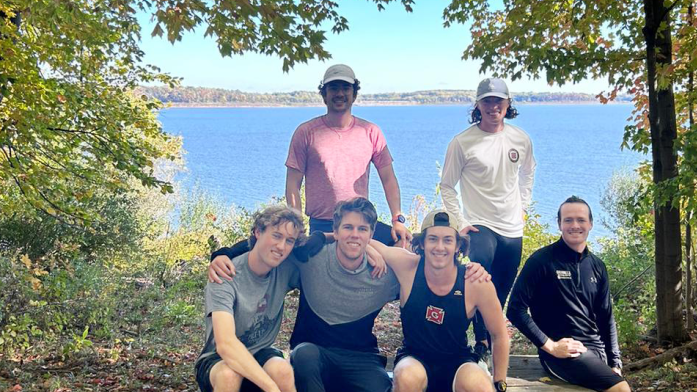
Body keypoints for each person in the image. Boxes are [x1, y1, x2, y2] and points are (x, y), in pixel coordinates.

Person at [208, 198, 491, 392]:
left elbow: (428, 276)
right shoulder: (308, 258)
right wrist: (223, 253)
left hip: (360, 356)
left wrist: (468, 270)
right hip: (313, 351)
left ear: (371, 235)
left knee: (381, 386)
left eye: (362, 230)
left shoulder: (387, 274)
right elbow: (267, 245)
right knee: (303, 356)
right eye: (347, 228)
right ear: (335, 230)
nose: (354, 235)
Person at [439, 77, 536, 361]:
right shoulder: (462, 142)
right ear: (478, 105)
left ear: (508, 104)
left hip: (512, 227)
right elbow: (447, 185)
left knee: (501, 289)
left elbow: (528, 173)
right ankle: (479, 342)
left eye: (498, 101)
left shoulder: (520, 138)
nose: (493, 106)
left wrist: (524, 208)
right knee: (480, 284)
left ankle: (492, 340)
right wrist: (458, 222)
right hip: (479, 225)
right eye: (487, 101)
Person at [371, 209, 510, 392]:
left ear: (458, 246)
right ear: (422, 243)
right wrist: (367, 250)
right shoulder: (408, 266)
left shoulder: (475, 281)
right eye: (433, 239)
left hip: (458, 362)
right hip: (415, 358)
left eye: (447, 240)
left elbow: (499, 335)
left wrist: (499, 382)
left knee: (480, 387)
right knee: (405, 377)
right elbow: (363, 241)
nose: (440, 247)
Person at [507, 196, 630, 392]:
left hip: (595, 351)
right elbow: (515, 309)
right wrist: (551, 346)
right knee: (621, 389)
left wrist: (615, 362)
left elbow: (606, 317)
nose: (575, 225)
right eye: (568, 220)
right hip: (563, 354)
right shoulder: (542, 261)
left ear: (590, 224)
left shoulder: (597, 266)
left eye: (581, 220)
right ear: (559, 224)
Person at [286, 63, 411, 246]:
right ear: (324, 94)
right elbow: (292, 184)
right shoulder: (306, 132)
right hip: (322, 225)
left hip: (360, 225)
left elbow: (388, 179)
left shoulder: (370, 132)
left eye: (346, 88)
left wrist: (397, 219)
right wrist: (297, 226)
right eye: (333, 88)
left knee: (404, 245)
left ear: (354, 94)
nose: (340, 94)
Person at [195, 206, 304, 392]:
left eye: (289, 241)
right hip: (217, 359)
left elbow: (326, 248)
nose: (281, 247)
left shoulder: (286, 268)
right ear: (258, 232)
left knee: (282, 370)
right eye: (276, 236)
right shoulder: (225, 273)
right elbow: (225, 345)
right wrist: (271, 388)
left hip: (261, 351)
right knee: (229, 375)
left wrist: (368, 245)